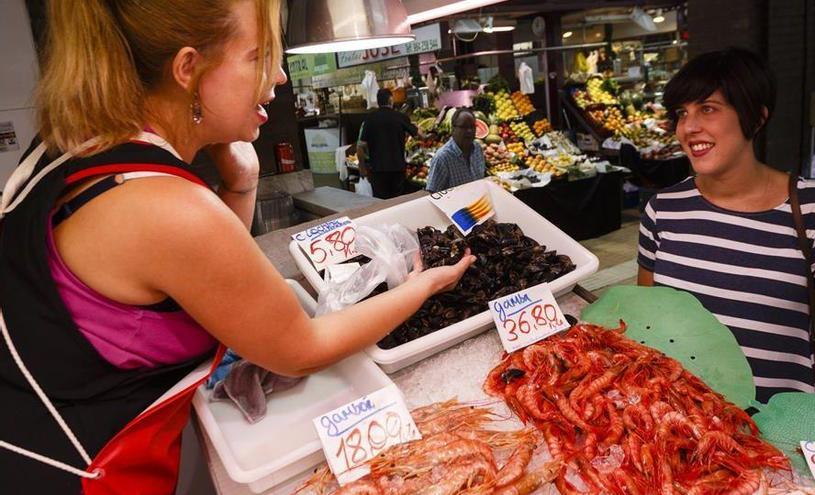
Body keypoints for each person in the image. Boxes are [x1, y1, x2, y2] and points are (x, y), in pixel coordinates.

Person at [0, 1, 474, 493]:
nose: (280, 76)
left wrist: (242, 183)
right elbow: (300, 350)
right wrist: (426, 284)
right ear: (189, 68)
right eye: (260, 55)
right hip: (74, 472)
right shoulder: (162, 206)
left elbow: (194, 279)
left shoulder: (77, 143)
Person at [637, 47, 815, 405]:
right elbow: (644, 324)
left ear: (756, 118)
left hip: (785, 430)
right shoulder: (662, 211)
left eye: (708, 109)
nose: (689, 127)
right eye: (682, 113)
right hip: (682, 425)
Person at [356, 88, 418, 199]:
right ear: (390, 100)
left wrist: (362, 167)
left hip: (377, 171)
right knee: (397, 202)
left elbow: (360, 146)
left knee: (380, 202)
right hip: (397, 169)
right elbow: (417, 134)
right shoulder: (400, 117)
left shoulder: (369, 119)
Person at [425, 108, 487, 193]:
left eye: (472, 126)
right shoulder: (442, 158)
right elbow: (433, 194)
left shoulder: (477, 149)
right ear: (453, 129)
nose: (469, 131)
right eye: (464, 127)